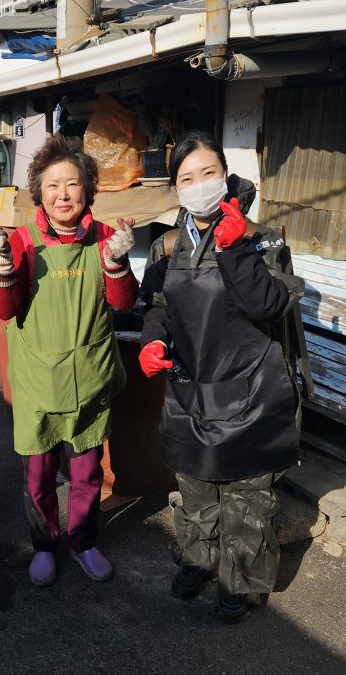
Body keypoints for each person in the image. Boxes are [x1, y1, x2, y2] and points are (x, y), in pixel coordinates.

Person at [137, 130, 302, 622]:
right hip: (192, 388)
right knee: (196, 487)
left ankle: (243, 581)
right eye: (187, 177)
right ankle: (197, 559)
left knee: (247, 496)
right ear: (177, 188)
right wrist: (153, 341)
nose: (199, 184)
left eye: (209, 173)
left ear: (225, 175)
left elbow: (267, 305)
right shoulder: (167, 246)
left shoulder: (260, 238)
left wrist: (234, 253)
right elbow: (158, 307)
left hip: (252, 386)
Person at [0, 133, 138, 586]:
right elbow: (5, 311)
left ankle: (84, 541)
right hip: (37, 382)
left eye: (72, 184)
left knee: (88, 473)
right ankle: (45, 545)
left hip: (90, 378)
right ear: (39, 192)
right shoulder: (23, 241)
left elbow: (123, 302)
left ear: (87, 190)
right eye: (52, 185)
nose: (63, 194)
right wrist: (1, 263)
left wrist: (117, 264)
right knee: (40, 474)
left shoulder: (106, 236)